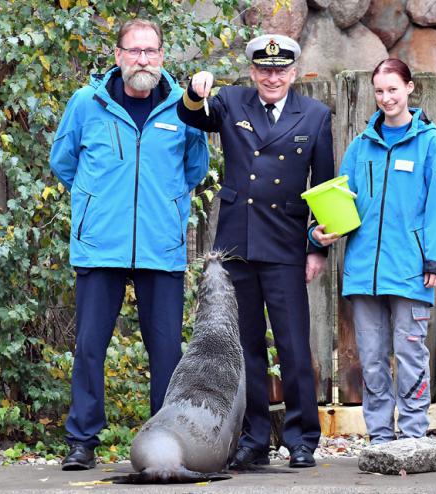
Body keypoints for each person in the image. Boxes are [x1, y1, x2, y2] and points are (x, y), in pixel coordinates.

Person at [50, 19, 209, 470]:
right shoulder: (87, 103)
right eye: (134, 51)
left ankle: (164, 440)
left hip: (161, 247)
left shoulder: (183, 107)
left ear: (162, 57)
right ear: (117, 55)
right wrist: (97, 202)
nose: (143, 59)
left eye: (151, 51)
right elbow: (63, 162)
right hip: (101, 245)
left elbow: (196, 169)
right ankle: (82, 440)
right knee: (89, 346)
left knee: (166, 352)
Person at [177, 34, 334, 468]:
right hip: (238, 244)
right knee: (246, 349)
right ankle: (254, 439)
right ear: (253, 72)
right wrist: (194, 92)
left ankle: (302, 439)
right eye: (264, 70)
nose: (272, 77)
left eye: (281, 70)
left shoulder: (315, 115)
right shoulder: (231, 102)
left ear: (294, 73)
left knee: (293, 347)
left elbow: (323, 188)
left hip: (285, 245)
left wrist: (317, 249)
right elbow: (191, 116)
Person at [311, 58, 436, 445]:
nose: (386, 97)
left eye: (393, 89)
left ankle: (411, 435)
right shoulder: (361, 147)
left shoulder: (430, 143)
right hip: (363, 273)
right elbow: (342, 203)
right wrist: (320, 232)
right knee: (371, 360)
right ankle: (380, 439)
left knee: (410, 357)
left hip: (410, 271)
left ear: (409, 88)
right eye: (379, 91)